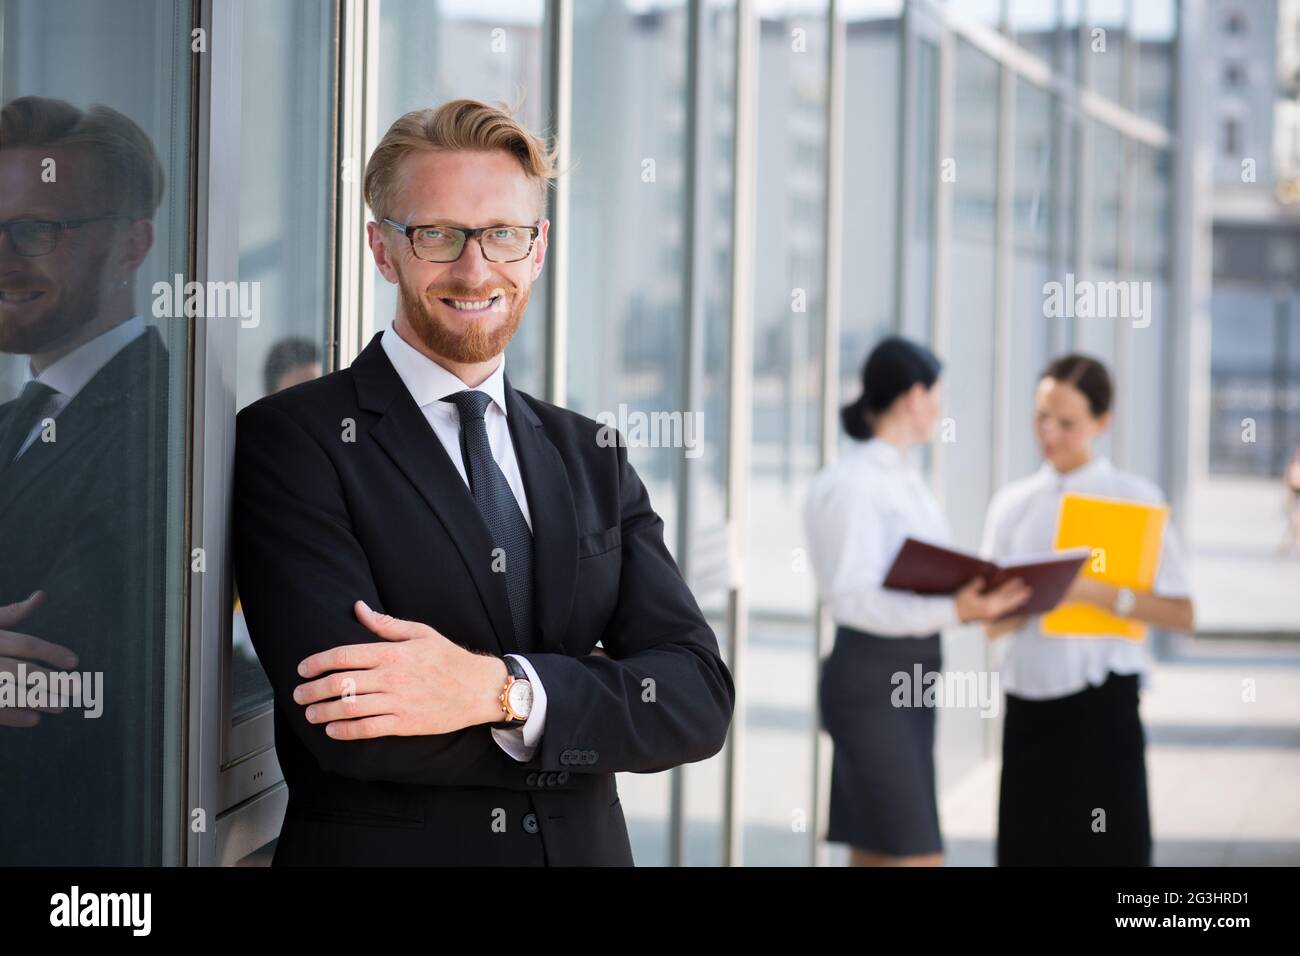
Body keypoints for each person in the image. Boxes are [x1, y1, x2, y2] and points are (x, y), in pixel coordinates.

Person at [232, 99, 735, 866]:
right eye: (438, 234)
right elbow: (351, 723)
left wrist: (500, 691)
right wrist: (592, 699)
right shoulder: (294, 440)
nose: (476, 268)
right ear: (382, 248)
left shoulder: (590, 450)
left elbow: (695, 700)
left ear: (535, 250)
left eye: (503, 234)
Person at [0, 96, 172, 863]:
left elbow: (58, 675)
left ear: (133, 246)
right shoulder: (14, 422)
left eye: (33, 232)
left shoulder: (170, 424)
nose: (4, 260)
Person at [804, 336, 1030, 867]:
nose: (939, 410)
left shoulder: (905, 478)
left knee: (877, 850)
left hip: (907, 679)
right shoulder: (854, 483)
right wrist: (957, 610)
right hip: (872, 682)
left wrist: (974, 598)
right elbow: (852, 598)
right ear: (912, 396)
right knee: (919, 854)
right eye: (936, 396)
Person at [980, 353, 1195, 866]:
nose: (1049, 432)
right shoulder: (1013, 504)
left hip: (1103, 710)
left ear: (1103, 423)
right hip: (1029, 709)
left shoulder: (1135, 499)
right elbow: (991, 624)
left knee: (1111, 854)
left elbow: (1182, 613)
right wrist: (1030, 597)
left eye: (1067, 423)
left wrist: (1100, 594)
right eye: (1041, 417)